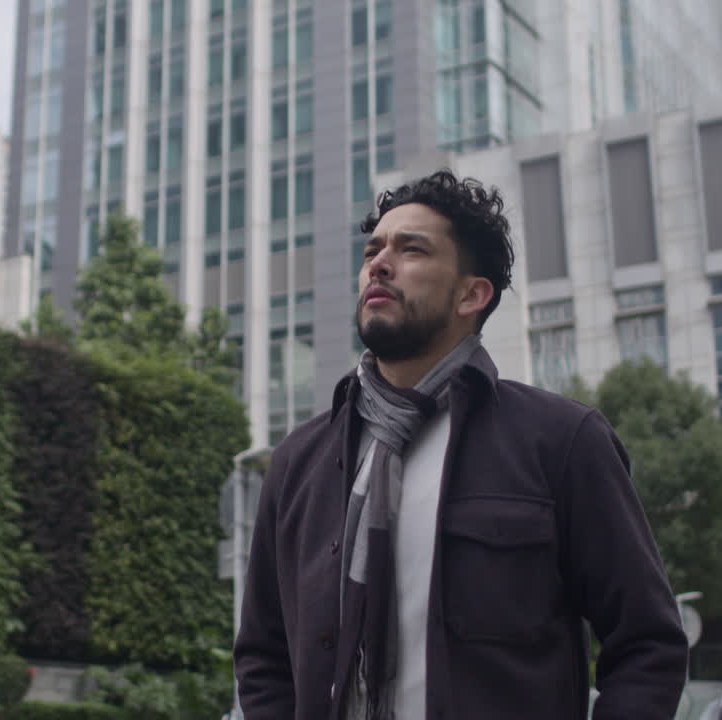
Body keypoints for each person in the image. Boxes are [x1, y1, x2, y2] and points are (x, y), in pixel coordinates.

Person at [233, 169, 688, 719]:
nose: (379, 263)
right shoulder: (299, 461)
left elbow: (647, 641)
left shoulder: (561, 441)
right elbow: (264, 654)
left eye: (412, 250)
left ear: (472, 294)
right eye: (373, 250)